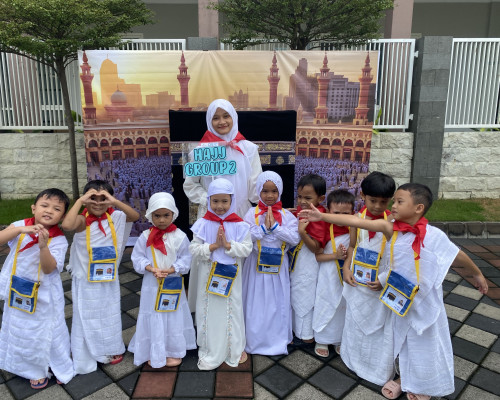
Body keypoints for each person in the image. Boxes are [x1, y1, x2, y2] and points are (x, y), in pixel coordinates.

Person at [300, 183, 488, 400]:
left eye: (399, 201)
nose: (393, 205)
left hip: (423, 299)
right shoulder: (390, 228)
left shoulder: (433, 235)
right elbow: (356, 221)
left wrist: (477, 274)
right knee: (400, 340)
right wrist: (322, 217)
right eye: (395, 201)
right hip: (397, 297)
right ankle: (403, 378)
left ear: (418, 208)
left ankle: (423, 385)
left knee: (425, 341)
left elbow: (457, 255)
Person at [183, 99, 262, 311]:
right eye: (215, 118)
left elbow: (256, 186)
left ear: (234, 117)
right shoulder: (200, 152)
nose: (222, 122)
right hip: (211, 215)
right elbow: (190, 185)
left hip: (240, 214)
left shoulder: (248, 149)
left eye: (226, 116)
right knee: (209, 259)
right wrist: (209, 200)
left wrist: (268, 206)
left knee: (239, 257)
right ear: (209, 121)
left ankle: (239, 313)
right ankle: (208, 313)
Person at [62, 180, 139, 374]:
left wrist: (113, 201)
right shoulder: (82, 220)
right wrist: (80, 201)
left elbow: (135, 216)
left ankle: (109, 347)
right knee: (86, 314)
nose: (97, 203)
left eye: (102, 198)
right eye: (92, 198)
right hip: (86, 279)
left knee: (108, 313)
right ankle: (87, 350)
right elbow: (67, 225)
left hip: (107, 277)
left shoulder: (116, 216)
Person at [0, 189, 74, 389]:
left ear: (62, 216)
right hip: (18, 290)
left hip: (44, 294)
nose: (49, 211)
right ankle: (27, 367)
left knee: (45, 328)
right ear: (34, 208)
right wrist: (20, 230)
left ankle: (54, 363)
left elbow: (49, 269)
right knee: (21, 328)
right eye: (44, 205)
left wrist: (43, 247)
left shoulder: (58, 239)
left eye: (56, 209)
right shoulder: (20, 225)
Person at [189, 178, 253, 370]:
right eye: (215, 201)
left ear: (232, 200)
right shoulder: (202, 223)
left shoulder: (240, 224)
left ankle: (233, 347)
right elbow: (194, 249)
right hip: (208, 275)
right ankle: (210, 348)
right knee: (209, 310)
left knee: (232, 309)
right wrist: (212, 247)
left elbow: (247, 249)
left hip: (231, 275)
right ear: (209, 200)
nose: (219, 206)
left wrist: (227, 245)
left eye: (224, 201)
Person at [129, 192, 196, 368]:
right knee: (154, 312)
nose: (161, 220)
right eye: (157, 216)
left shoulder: (180, 236)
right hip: (152, 283)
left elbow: (186, 258)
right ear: (150, 215)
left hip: (172, 282)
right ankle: (154, 349)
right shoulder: (145, 236)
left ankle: (173, 350)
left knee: (173, 312)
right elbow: (137, 257)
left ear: (173, 213)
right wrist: (151, 268)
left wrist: (173, 269)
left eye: (166, 215)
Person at [242, 171, 300, 355]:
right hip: (255, 266)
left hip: (278, 266)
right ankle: (254, 340)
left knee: (277, 302)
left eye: (274, 191)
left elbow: (295, 238)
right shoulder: (251, 213)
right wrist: (263, 229)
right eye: (265, 191)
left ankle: (277, 339)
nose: (269, 195)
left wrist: (275, 227)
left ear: (280, 191)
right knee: (256, 303)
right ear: (258, 191)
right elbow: (244, 237)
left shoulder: (287, 216)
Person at [312, 190, 352, 357]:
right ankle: (322, 338)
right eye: (336, 213)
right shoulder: (325, 228)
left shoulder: (354, 229)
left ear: (353, 213)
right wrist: (335, 256)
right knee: (325, 302)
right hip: (328, 274)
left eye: (346, 214)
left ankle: (339, 339)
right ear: (328, 212)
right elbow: (317, 256)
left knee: (343, 306)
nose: (341, 217)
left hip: (346, 273)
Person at [290, 174, 329, 343]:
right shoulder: (301, 211)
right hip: (297, 260)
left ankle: (306, 333)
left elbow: (316, 247)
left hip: (309, 262)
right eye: (299, 197)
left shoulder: (320, 216)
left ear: (321, 199)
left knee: (306, 293)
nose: (302, 201)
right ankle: (294, 328)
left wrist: (302, 232)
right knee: (295, 290)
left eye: (307, 198)